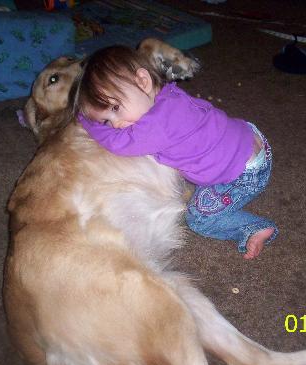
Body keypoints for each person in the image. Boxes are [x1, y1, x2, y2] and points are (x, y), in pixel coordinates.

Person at [74, 45, 278, 259]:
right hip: (247, 138)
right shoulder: (168, 96)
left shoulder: (158, 126)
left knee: (199, 218)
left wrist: (86, 121)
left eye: (115, 109)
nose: (115, 125)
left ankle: (254, 226)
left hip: (242, 175)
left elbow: (119, 144)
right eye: (106, 121)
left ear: (143, 81)